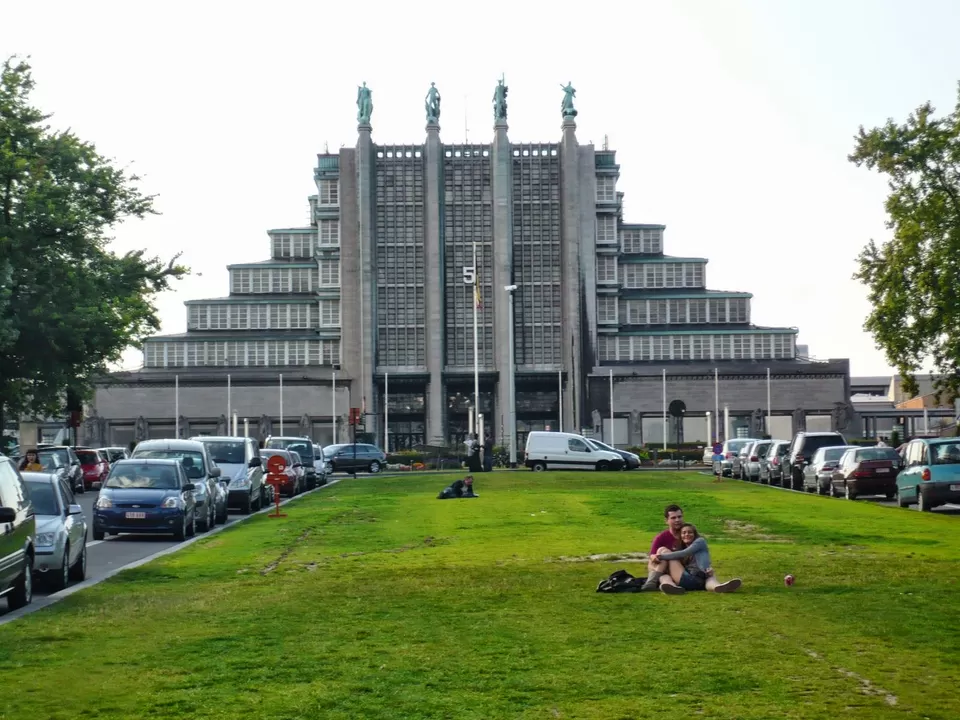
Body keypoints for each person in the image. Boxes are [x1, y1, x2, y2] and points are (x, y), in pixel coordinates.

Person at [652, 523, 742, 594]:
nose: (687, 535)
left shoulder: (700, 541)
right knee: (664, 576)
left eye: (690, 532)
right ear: (681, 536)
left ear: (695, 534)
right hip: (699, 581)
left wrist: (661, 556)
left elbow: (683, 553)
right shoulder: (682, 547)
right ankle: (671, 587)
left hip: (691, 580)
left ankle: (719, 587)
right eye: (684, 533)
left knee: (664, 552)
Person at [641, 504, 685, 591]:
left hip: (680, 569)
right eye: (673, 518)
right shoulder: (661, 537)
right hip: (664, 570)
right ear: (666, 520)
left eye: (679, 517)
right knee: (663, 574)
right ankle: (670, 586)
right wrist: (655, 557)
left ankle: (651, 582)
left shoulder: (687, 535)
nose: (677, 520)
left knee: (663, 551)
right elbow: (652, 555)